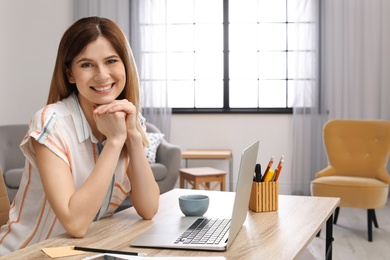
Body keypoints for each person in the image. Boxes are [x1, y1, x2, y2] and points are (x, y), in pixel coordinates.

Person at [0, 16, 160, 255]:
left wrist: (132, 135)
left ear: (125, 65)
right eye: (87, 64)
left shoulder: (126, 118)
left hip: (84, 252)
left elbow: (148, 208)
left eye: (111, 61)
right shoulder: (50, 123)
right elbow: (75, 223)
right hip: (28, 253)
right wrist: (114, 142)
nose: (102, 75)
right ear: (70, 74)